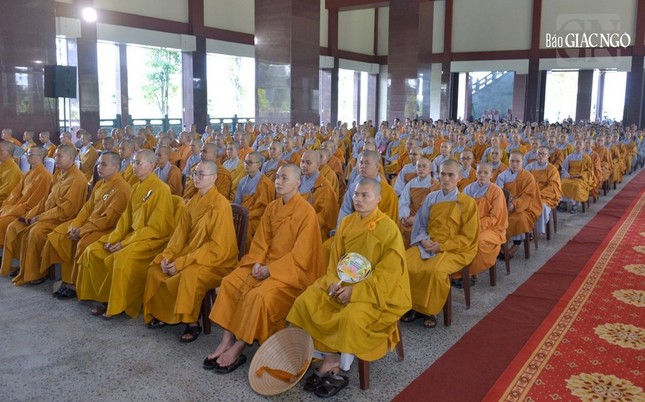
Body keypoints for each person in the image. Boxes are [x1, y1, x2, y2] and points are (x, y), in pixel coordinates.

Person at [287, 178, 411, 397]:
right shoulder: (346, 223)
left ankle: (339, 366)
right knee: (306, 301)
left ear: (378, 199)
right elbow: (335, 261)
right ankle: (329, 357)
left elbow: (388, 274)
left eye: (365, 195)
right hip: (343, 282)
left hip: (375, 292)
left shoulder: (388, 229)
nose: (358, 199)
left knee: (350, 316)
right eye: (356, 194)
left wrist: (355, 292)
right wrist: (334, 283)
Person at [203, 164, 324, 374]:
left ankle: (239, 345)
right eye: (277, 177)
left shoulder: (307, 213)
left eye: (285, 178)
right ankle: (226, 339)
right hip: (263, 263)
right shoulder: (272, 207)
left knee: (258, 295)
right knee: (230, 282)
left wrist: (271, 270)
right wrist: (258, 262)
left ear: (297, 183)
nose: (279, 181)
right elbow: (260, 241)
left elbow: (302, 255)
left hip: (290, 273)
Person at [143, 161, 239, 342]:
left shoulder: (220, 205)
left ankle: (192, 322)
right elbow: (179, 234)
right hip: (192, 253)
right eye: (195, 173)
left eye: (202, 174)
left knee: (189, 275)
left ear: (214, 178)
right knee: (156, 267)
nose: (197, 177)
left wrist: (182, 262)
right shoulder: (193, 201)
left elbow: (217, 247)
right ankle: (164, 314)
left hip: (217, 261)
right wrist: (168, 255)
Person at [76, 149, 178, 319]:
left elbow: (156, 228)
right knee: (93, 250)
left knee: (121, 259)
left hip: (152, 240)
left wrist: (123, 243)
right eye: (133, 162)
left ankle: (118, 305)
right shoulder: (136, 187)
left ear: (152, 166)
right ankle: (103, 297)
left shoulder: (161, 189)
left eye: (138, 163)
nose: (134, 166)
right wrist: (114, 238)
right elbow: (125, 219)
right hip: (133, 236)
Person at [40, 152, 130, 299]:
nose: (99, 167)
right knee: (63, 233)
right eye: (98, 163)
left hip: (107, 229)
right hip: (90, 223)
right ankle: (67, 278)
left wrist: (82, 230)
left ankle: (76, 285)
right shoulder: (100, 183)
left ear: (116, 167)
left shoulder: (122, 188)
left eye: (103, 164)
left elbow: (108, 220)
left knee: (83, 243)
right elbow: (87, 208)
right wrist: (76, 225)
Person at [403, 159, 479, 328]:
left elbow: (468, 237)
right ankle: (413, 306)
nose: (446, 179)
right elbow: (420, 224)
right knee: (404, 263)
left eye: (451, 175)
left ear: (459, 177)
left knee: (434, 271)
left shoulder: (468, 203)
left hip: (455, 249)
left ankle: (430, 310)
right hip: (428, 242)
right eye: (443, 174)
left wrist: (442, 247)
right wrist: (423, 239)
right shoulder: (431, 197)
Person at [2, 145, 88, 284]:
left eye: (60, 156)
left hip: (61, 219)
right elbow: (44, 201)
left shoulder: (77, 179)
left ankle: (38, 273)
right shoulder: (58, 174)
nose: (55, 158)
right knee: (15, 225)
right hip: (47, 215)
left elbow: (66, 210)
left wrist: (40, 217)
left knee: (35, 232)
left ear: (71, 158)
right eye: (56, 155)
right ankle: (25, 267)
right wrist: (31, 215)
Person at [0, 147, 52, 273]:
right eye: (27, 154)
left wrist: (13, 210)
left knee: (3, 223)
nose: (28, 157)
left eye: (31, 155)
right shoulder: (28, 173)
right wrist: (7, 206)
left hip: (28, 211)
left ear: (41, 157)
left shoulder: (45, 176)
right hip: (18, 207)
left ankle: (12, 261)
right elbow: (15, 194)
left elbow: (33, 203)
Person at [462, 163, 508, 279]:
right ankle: (459, 269)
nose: (482, 175)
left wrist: (476, 226)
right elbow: (461, 210)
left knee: (478, 240)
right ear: (476, 174)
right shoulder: (468, 189)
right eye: (479, 172)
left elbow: (495, 217)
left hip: (492, 228)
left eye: (485, 173)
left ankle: (471, 271)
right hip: (470, 225)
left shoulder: (496, 191)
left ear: (491, 175)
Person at [496, 152, 542, 257]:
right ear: (508, 162)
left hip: (525, 207)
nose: (514, 164)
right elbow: (498, 193)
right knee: (498, 220)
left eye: (518, 161)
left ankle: (516, 245)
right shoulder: (502, 176)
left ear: (523, 162)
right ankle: (500, 244)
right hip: (505, 206)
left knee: (519, 219)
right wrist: (506, 204)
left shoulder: (528, 177)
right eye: (512, 161)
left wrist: (515, 204)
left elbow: (528, 196)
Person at [234, 152, 275, 249]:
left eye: (250, 162)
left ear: (259, 164)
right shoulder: (242, 181)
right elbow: (237, 202)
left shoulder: (266, 183)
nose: (246, 165)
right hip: (242, 215)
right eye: (245, 162)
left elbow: (265, 209)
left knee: (246, 226)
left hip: (257, 218)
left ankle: (244, 253)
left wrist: (247, 215)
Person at [398, 158, 440, 248]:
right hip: (410, 216)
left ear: (430, 169)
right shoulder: (411, 183)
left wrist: (417, 219)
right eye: (418, 166)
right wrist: (404, 215)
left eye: (424, 166)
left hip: (427, 218)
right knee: (402, 227)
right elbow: (404, 201)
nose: (421, 169)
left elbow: (434, 208)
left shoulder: (435, 185)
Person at [299, 150, 339, 242]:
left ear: (318, 165)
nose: (304, 165)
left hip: (313, 226)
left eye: (308, 163)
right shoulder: (298, 181)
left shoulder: (324, 186)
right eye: (302, 162)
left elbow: (326, 215)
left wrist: (306, 222)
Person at [525, 147, 562, 234]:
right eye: (539, 154)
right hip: (530, 193)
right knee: (522, 204)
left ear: (548, 156)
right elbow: (524, 181)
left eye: (543, 154)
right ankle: (526, 228)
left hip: (545, 196)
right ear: (536, 155)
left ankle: (536, 231)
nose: (541, 156)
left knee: (542, 206)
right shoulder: (529, 167)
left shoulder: (552, 169)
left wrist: (539, 194)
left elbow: (553, 186)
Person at [559, 139, 596, 213]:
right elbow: (564, 168)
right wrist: (567, 174)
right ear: (574, 146)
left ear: (583, 146)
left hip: (580, 178)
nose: (578, 146)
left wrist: (581, 175)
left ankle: (574, 204)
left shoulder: (586, 157)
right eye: (576, 144)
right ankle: (564, 203)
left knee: (576, 186)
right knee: (562, 184)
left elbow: (590, 171)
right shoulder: (569, 157)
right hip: (570, 176)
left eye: (580, 144)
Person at [0, 141, 23, 205]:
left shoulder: (13, 171)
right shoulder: (2, 165)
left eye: (0, 151)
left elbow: (6, 194)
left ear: (9, 152)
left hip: (5, 204)